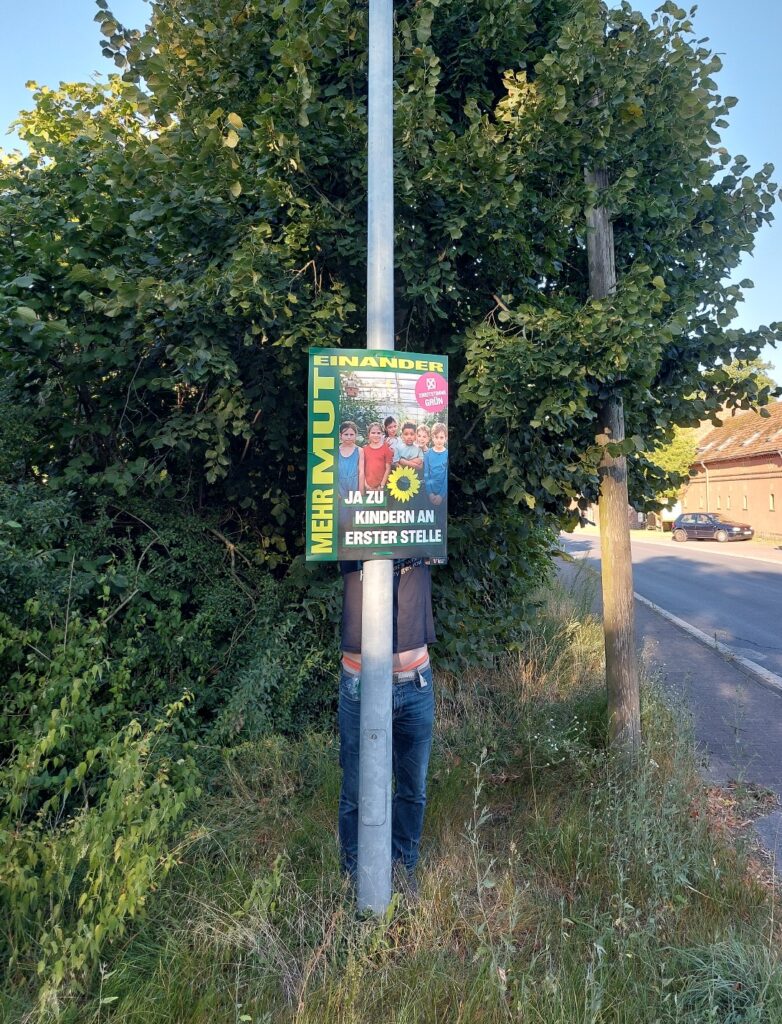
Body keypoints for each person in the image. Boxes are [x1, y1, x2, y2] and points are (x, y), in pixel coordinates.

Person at [338, 558, 436, 891]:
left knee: (412, 789)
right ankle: (354, 877)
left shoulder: (420, 521)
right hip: (359, 681)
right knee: (355, 790)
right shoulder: (352, 519)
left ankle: (403, 869)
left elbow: (437, 510)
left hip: (415, 682)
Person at [363, 422, 394, 492]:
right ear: (368, 434)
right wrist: (365, 485)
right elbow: (362, 468)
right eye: (373, 433)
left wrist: (382, 485)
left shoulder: (386, 449)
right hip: (367, 486)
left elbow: (388, 468)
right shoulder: (364, 450)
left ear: (382, 434)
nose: (376, 435)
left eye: (378, 433)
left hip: (381, 487)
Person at [338, 420, 364, 499]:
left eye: (351, 434)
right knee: (342, 510)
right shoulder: (336, 450)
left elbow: (361, 471)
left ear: (356, 435)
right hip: (340, 486)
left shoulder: (359, 450)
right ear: (340, 435)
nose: (349, 437)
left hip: (354, 485)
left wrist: (361, 490)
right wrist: (335, 491)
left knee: (355, 510)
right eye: (346, 434)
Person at [424, 422, 448, 506]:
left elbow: (446, 477)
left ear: (446, 438)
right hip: (430, 494)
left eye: (441, 437)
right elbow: (426, 475)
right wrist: (430, 493)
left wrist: (441, 495)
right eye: (436, 437)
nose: (439, 440)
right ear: (432, 438)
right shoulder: (427, 454)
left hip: (444, 494)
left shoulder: (447, 454)